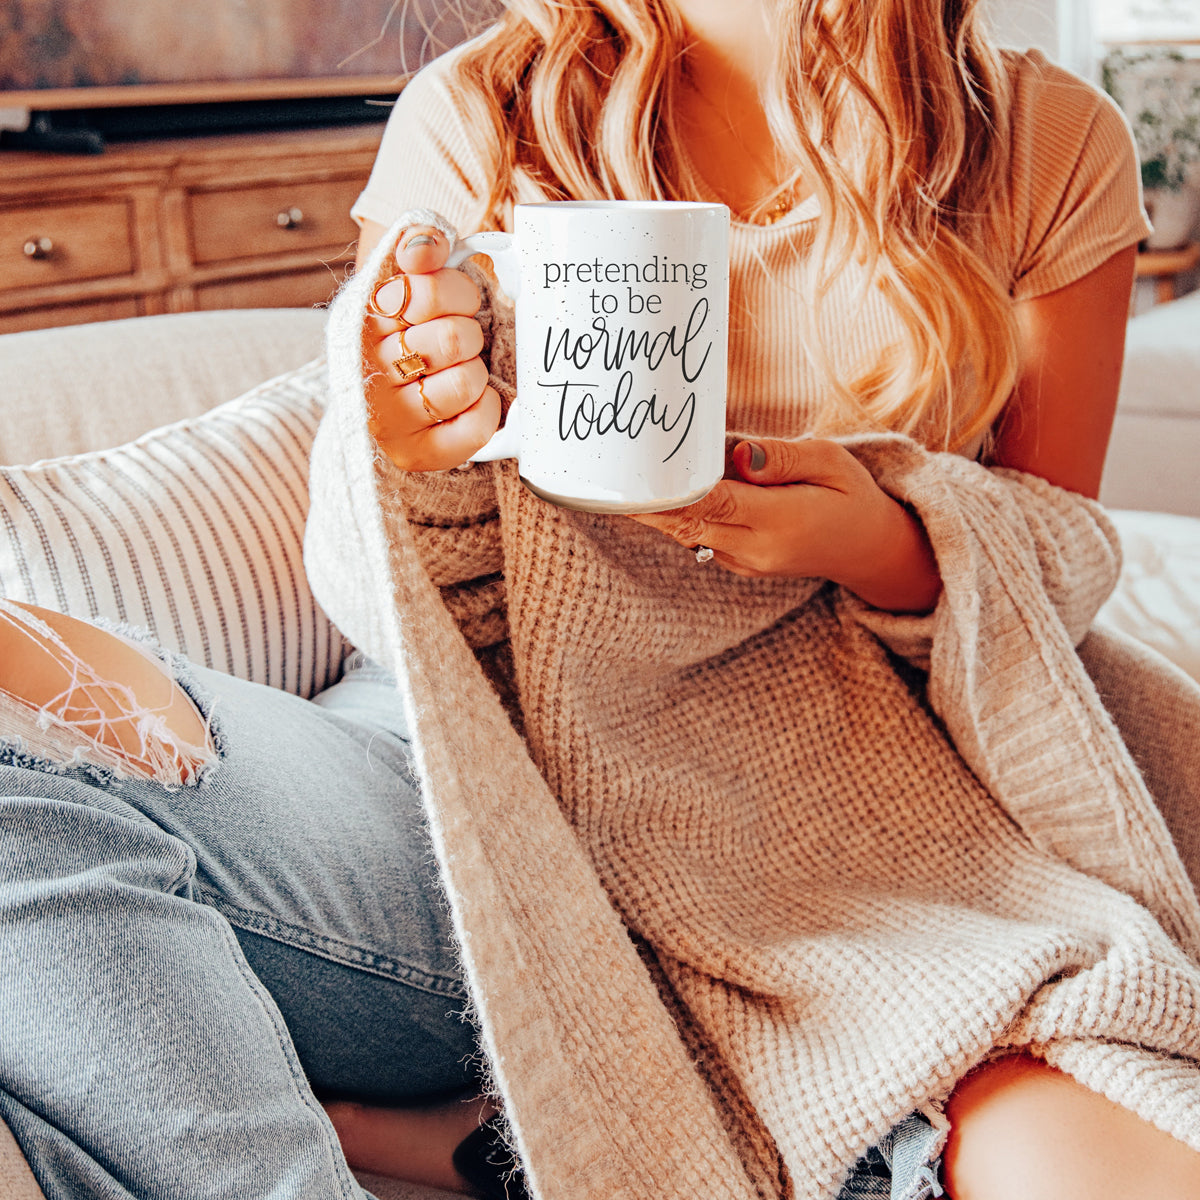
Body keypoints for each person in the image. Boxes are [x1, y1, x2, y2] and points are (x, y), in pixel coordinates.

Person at [1, 4, 1199, 1200]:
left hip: (842, 800)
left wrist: (886, 540)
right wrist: (403, 452)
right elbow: (370, 599)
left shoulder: (1042, 137)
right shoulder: (476, 112)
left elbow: (1059, 556)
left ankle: (521, 1137)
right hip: (466, 772)